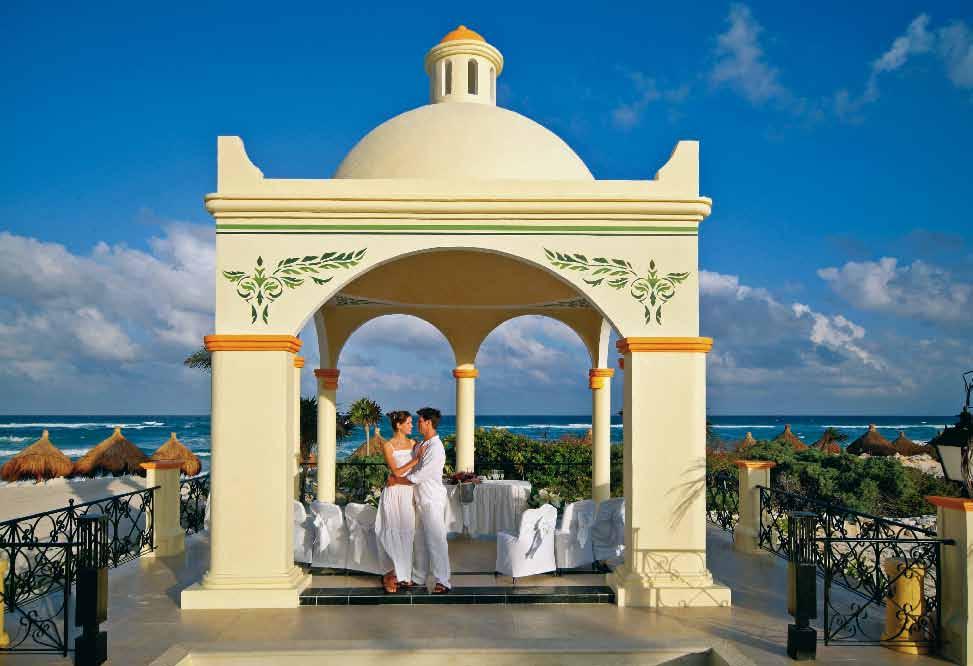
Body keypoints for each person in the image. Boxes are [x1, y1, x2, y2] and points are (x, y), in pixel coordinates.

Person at [388, 406, 450, 593]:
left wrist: (396, 480)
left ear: (429, 423)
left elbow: (420, 475)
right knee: (420, 540)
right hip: (419, 498)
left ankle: (443, 581)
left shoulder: (436, 448)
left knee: (436, 539)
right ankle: (417, 577)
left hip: (431, 499)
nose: (417, 424)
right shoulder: (423, 444)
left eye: (420, 421)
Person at [375, 411, 425, 594]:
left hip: (407, 492)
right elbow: (396, 472)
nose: (412, 426)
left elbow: (423, 463)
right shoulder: (388, 445)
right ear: (399, 425)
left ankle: (402, 574)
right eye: (409, 423)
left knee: (407, 534)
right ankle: (390, 574)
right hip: (394, 492)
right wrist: (415, 460)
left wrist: (418, 459)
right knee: (392, 532)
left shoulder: (413, 444)